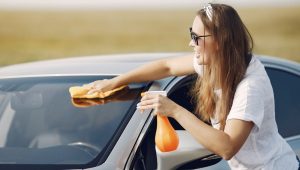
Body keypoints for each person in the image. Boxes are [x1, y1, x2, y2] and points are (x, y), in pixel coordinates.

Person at [85, 3, 299, 170]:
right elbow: (166, 66)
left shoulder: (250, 87)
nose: (191, 44)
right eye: (191, 34)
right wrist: (116, 81)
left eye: (196, 37)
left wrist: (174, 110)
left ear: (220, 41)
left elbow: (227, 147)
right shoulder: (215, 63)